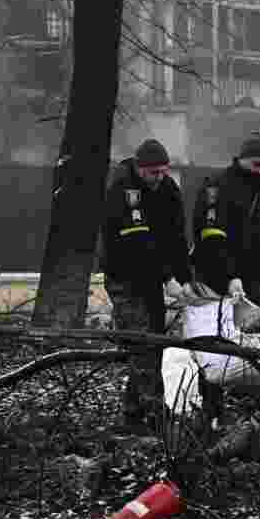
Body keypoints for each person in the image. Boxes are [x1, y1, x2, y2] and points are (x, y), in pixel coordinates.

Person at [101, 138, 193, 430]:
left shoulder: (168, 190)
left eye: (164, 171)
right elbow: (138, 244)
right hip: (125, 278)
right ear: (140, 169)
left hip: (153, 279)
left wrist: (185, 278)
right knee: (142, 343)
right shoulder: (123, 192)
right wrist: (168, 278)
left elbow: (176, 237)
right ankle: (157, 415)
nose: (160, 178)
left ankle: (132, 413)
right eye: (153, 173)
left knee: (152, 344)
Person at [191, 132, 260, 306]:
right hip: (215, 280)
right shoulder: (217, 187)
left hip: (252, 282)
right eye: (256, 164)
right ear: (242, 160)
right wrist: (229, 277)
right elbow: (212, 239)